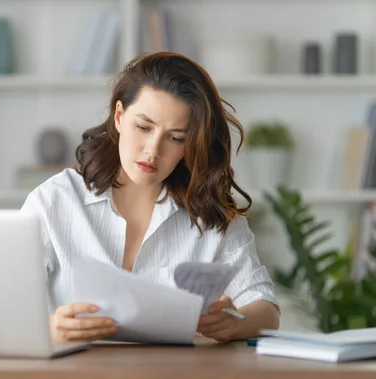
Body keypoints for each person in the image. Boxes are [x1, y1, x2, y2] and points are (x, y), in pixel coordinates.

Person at [20, 52, 280, 344]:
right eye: (143, 127)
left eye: (175, 138)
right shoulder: (54, 200)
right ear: (119, 117)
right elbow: (4, 302)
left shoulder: (211, 212)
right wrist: (50, 326)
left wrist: (233, 323)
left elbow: (266, 311)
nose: (153, 150)